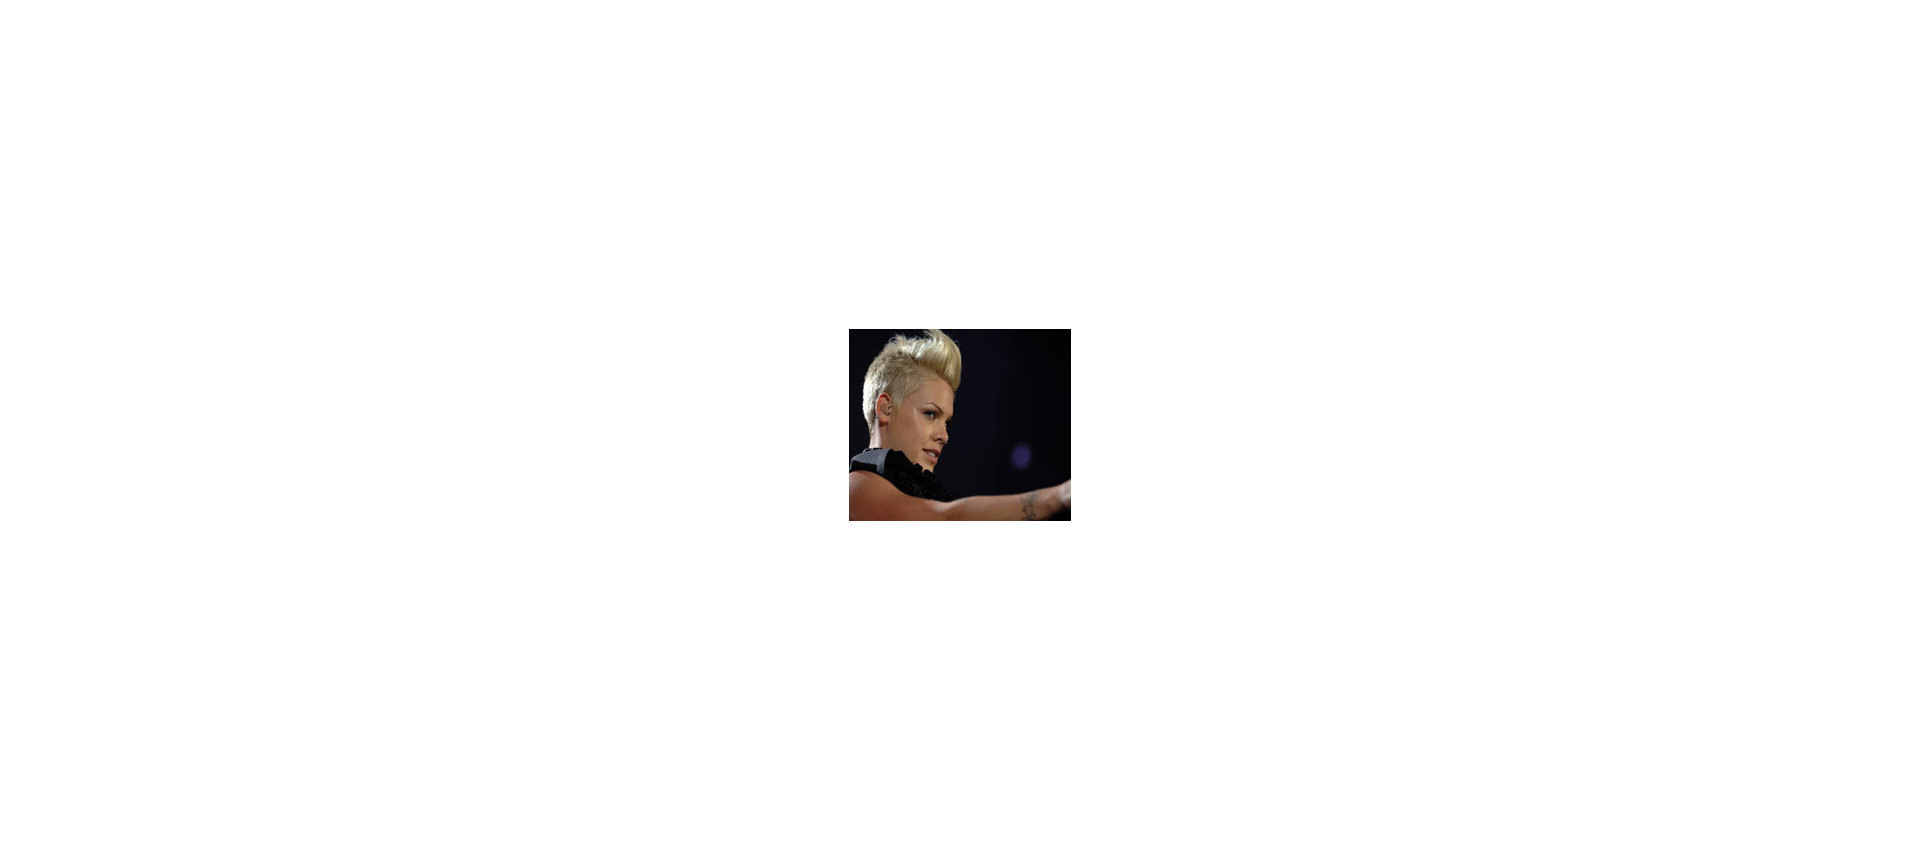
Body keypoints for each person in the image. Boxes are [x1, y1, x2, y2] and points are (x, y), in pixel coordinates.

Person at [850, 329, 1071, 520]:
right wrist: (1059, 496)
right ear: (885, 408)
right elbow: (947, 518)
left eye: (946, 422)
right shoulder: (854, 488)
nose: (944, 436)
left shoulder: (911, 493)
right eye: (930, 414)